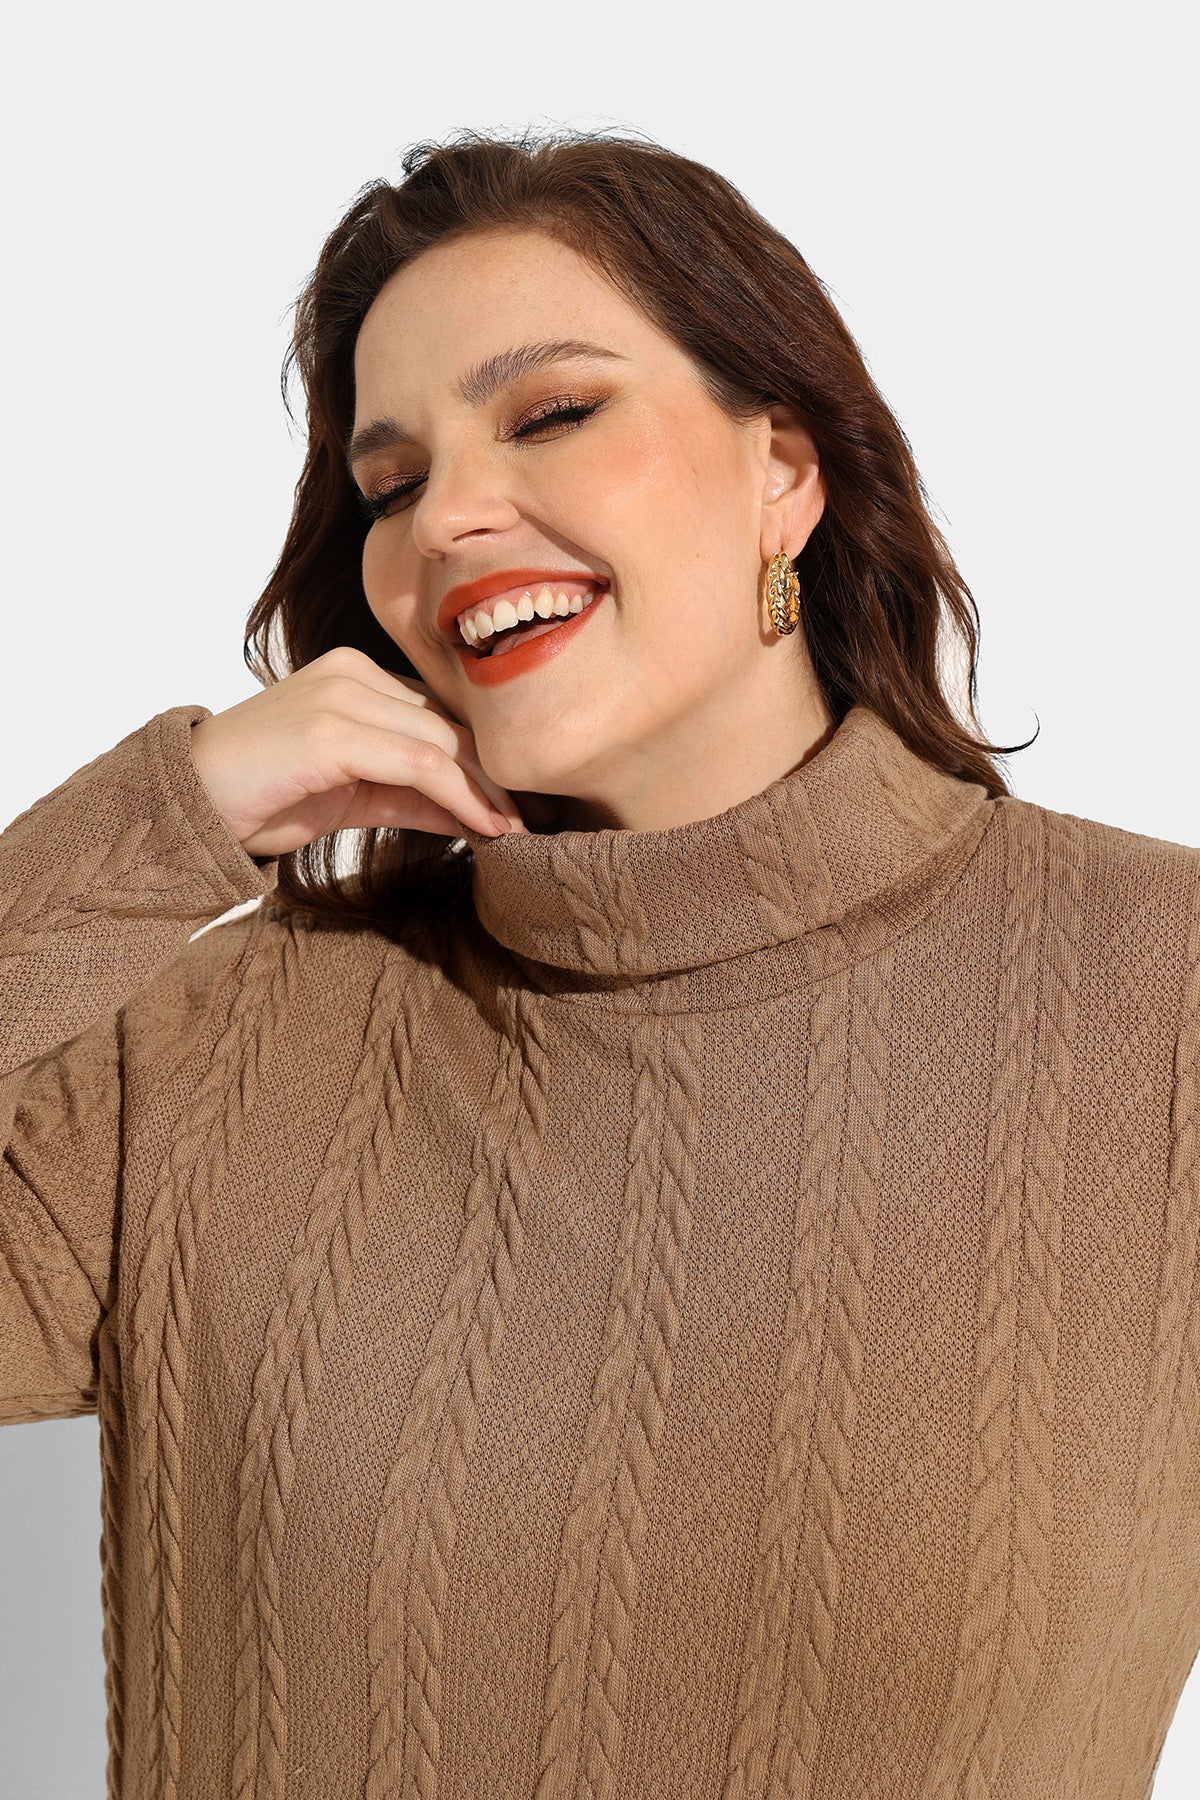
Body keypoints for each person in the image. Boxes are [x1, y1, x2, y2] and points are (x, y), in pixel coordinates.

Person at [2, 127, 1197, 1800]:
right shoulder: (213, 1047)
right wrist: (169, 814)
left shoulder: (1164, 997)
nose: (449, 517)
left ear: (784, 469)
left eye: (553, 412)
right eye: (390, 486)